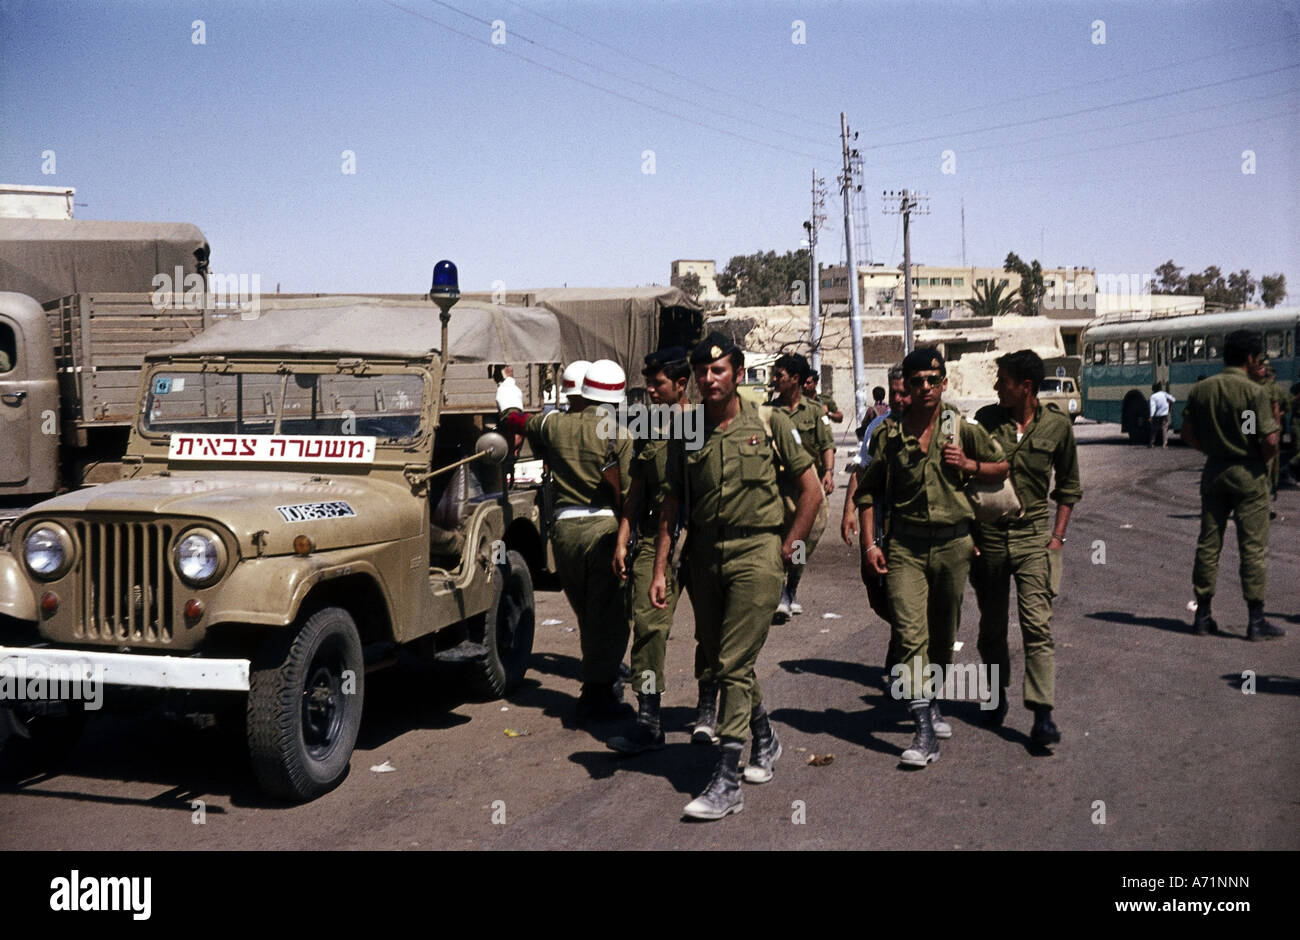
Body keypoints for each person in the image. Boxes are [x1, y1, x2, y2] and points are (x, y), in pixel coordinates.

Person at [649, 332, 822, 819]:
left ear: (738, 374)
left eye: (718, 370)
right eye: (702, 371)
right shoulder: (687, 429)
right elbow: (671, 504)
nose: (709, 378)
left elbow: (810, 490)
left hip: (756, 553)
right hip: (704, 556)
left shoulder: (770, 421)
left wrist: (791, 545)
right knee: (725, 662)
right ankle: (765, 738)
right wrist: (661, 569)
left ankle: (727, 780)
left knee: (732, 662)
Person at [856, 347, 1008, 768]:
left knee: (942, 635)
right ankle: (923, 727)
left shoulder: (960, 426)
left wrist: (971, 464)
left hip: (954, 546)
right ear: (905, 384)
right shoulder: (888, 435)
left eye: (932, 380)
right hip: (905, 546)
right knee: (909, 634)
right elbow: (868, 493)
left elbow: (1002, 467)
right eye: (917, 380)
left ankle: (934, 700)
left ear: (943, 383)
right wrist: (871, 545)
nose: (925, 388)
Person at [510, 359, 637, 718]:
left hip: (562, 535)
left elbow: (519, 422)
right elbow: (627, 496)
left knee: (585, 612)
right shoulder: (620, 435)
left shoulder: (555, 425)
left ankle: (595, 682)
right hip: (604, 533)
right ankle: (597, 693)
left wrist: (508, 399)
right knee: (609, 616)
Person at [970, 350, 1082, 746]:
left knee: (1037, 625)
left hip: (1034, 536)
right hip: (990, 539)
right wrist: (971, 538)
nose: (997, 386)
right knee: (992, 627)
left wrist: (1057, 538)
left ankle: (1042, 713)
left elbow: (1068, 486)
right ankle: (996, 692)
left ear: (1026, 387)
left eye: (1004, 380)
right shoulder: (985, 421)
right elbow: (964, 481)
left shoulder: (1057, 426)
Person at [608, 347, 693, 753]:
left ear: (681, 384)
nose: (650, 390)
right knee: (647, 627)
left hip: (700, 536)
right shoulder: (649, 425)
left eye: (657, 383)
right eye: (648, 382)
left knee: (715, 629)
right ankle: (649, 716)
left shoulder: (704, 423)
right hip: (653, 535)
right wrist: (623, 536)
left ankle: (710, 709)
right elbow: (636, 488)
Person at [1181, 329, 1283, 640]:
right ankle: (1255, 621)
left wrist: (1213, 451)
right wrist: (1260, 454)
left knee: (1208, 544)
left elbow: (1187, 433)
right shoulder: (1254, 393)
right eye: (1258, 359)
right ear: (1250, 359)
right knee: (1252, 547)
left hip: (1214, 472)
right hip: (1248, 475)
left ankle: (1203, 615)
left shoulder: (1203, 389)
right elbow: (1266, 438)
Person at [841, 365, 911, 672]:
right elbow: (861, 468)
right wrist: (848, 511)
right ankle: (902, 632)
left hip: (917, 527)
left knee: (908, 596)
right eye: (893, 392)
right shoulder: (878, 427)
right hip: (882, 522)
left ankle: (908, 657)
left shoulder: (937, 425)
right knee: (877, 592)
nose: (897, 399)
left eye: (903, 392)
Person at [770, 353, 834, 621]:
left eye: (779, 376)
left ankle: (792, 587)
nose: (774, 380)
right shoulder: (769, 411)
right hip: (778, 488)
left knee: (802, 542)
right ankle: (781, 592)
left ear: (795, 379)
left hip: (808, 489)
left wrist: (829, 471)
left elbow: (826, 444)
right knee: (777, 542)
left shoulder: (814, 411)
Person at [1148, 381, 1175, 448]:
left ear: (1154, 389)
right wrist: (1169, 403)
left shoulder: (1153, 396)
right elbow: (1173, 399)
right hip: (1165, 414)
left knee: (1154, 430)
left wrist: (1151, 416)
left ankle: (1151, 443)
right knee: (1164, 429)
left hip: (1157, 415)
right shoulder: (1164, 394)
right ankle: (1164, 444)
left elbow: (1153, 407)